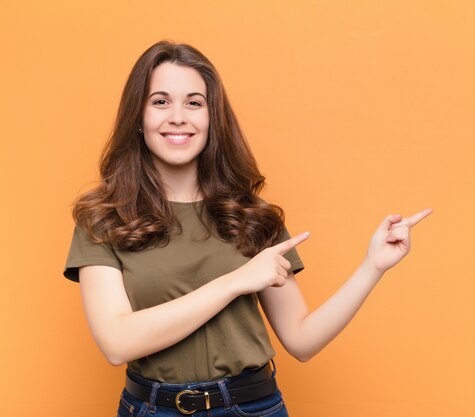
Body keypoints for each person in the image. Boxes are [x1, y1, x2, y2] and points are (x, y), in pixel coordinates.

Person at [63, 40, 433, 417]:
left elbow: (302, 339)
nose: (178, 116)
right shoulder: (104, 218)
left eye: (194, 103)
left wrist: (373, 266)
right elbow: (117, 343)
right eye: (160, 101)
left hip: (252, 407)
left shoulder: (252, 216)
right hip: (152, 409)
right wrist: (236, 281)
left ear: (212, 119)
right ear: (138, 119)